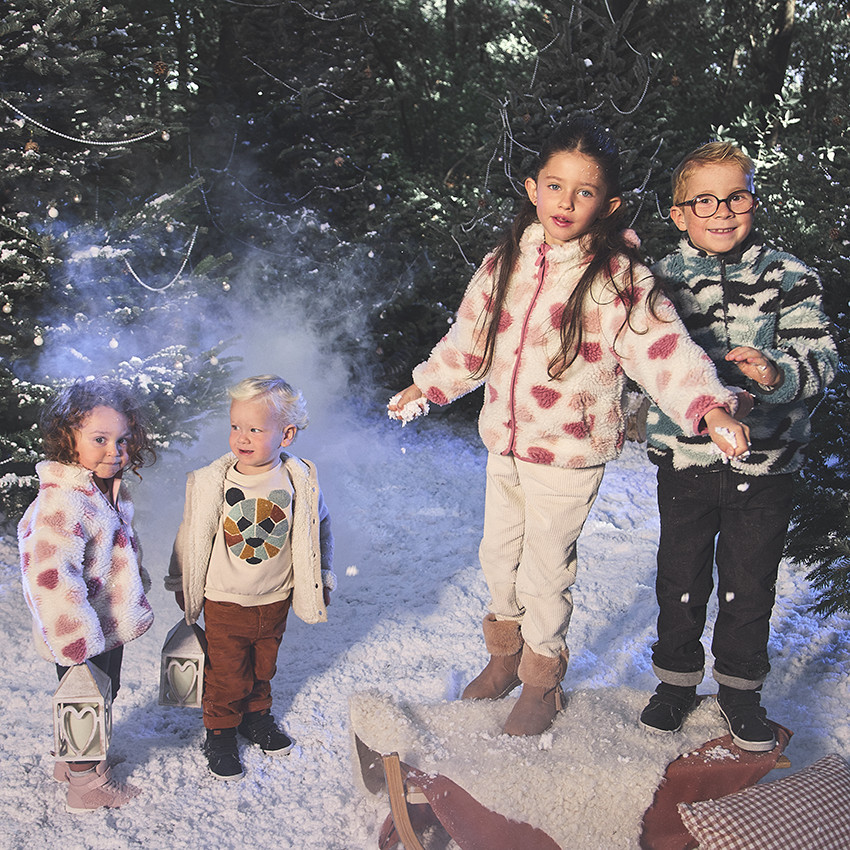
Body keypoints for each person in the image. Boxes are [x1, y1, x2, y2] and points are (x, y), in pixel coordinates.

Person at [389, 116, 750, 737]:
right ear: (532, 187)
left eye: (584, 192)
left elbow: (663, 348)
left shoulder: (619, 277)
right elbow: (470, 338)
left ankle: (540, 679)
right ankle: (503, 658)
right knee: (498, 558)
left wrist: (708, 406)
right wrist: (428, 384)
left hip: (569, 450)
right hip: (505, 442)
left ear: (606, 204)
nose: (566, 202)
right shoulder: (507, 259)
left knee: (545, 568)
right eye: (555, 186)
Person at [639, 141, 838, 751]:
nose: (722, 211)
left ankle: (739, 691)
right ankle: (674, 684)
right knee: (680, 576)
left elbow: (824, 362)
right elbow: (640, 359)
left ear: (754, 199)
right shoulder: (656, 280)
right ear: (679, 213)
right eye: (704, 200)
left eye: (737, 196)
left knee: (749, 585)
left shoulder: (788, 275)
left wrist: (776, 375)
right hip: (686, 461)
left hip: (768, 464)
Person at [166, 375, 335, 780]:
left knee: (263, 666)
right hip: (225, 599)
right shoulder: (215, 482)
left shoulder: (299, 481)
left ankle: (255, 716)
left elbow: (320, 529)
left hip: (276, 597)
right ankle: (220, 730)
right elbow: (188, 534)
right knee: (227, 672)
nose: (242, 437)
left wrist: (324, 575)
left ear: (287, 434)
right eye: (236, 426)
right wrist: (179, 580)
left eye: (255, 429)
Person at [18, 378, 156, 813]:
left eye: (122, 440)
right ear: (67, 439)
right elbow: (49, 573)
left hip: (106, 618)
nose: (114, 450)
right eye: (99, 439)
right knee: (85, 697)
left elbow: (119, 548)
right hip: (82, 630)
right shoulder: (63, 500)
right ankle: (86, 785)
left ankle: (73, 760)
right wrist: (76, 639)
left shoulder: (102, 490)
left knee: (99, 692)